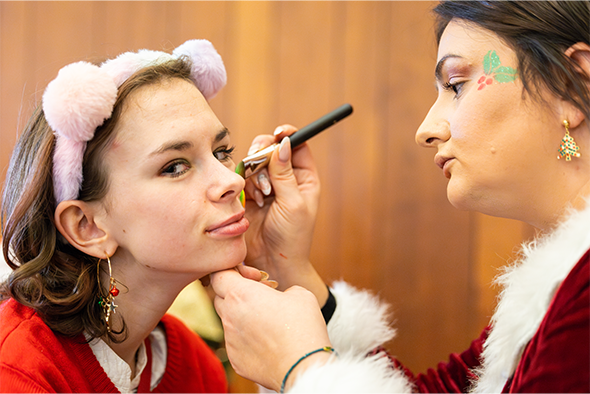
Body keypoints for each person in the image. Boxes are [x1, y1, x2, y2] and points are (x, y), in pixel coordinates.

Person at [210, 1, 590, 392]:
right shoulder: (557, 288)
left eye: (456, 85)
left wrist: (304, 371)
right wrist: (285, 263)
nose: (425, 130)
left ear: (568, 83)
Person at [0, 39, 272, 392]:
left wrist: (288, 265)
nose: (231, 180)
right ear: (88, 227)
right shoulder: (17, 369)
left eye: (222, 151)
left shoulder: (195, 364)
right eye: (175, 166)